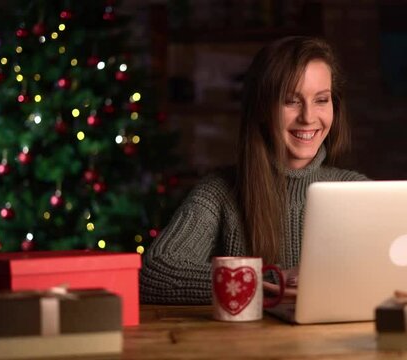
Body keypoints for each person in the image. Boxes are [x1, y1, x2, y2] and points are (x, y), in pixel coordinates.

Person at [140, 36, 369, 304]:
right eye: (291, 101)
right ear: (261, 108)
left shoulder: (357, 190)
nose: (308, 117)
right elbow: (156, 272)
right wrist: (271, 283)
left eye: (321, 100)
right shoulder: (219, 192)